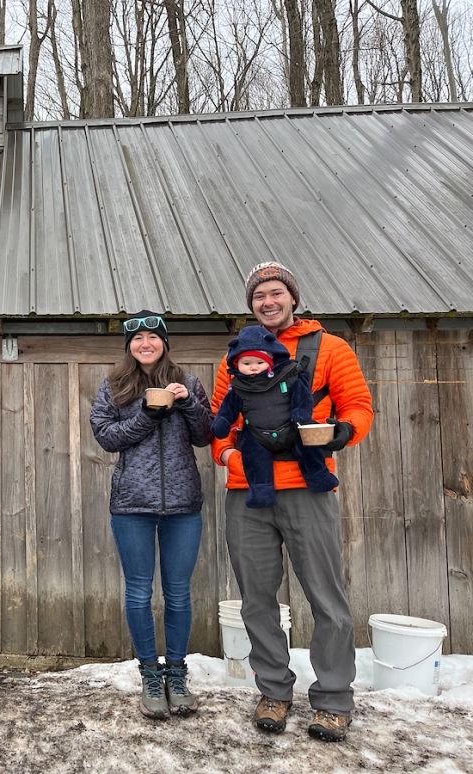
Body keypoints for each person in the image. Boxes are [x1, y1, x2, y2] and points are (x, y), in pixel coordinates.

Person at [211, 262, 373, 742]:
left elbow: (359, 407)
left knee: (327, 598)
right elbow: (220, 426)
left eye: (276, 292)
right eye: (259, 296)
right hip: (248, 495)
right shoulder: (233, 357)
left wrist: (340, 434)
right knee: (256, 601)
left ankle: (333, 700)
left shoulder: (331, 349)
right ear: (252, 305)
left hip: (308, 488)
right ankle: (274, 692)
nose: (268, 302)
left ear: (292, 297)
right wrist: (231, 458)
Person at [89, 310, 213, 720]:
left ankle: (176, 672)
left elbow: (204, 436)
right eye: (137, 339)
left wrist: (188, 402)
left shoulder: (189, 382)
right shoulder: (114, 386)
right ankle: (149, 672)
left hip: (182, 503)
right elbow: (107, 438)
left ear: (164, 342)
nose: (145, 344)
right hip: (132, 504)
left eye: (152, 337)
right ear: (128, 346)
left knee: (178, 591)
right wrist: (148, 414)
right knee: (139, 591)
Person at [211, 325, 338, 509]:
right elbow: (224, 410)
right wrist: (223, 434)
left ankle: (319, 476)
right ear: (236, 365)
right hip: (256, 435)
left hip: (291, 429)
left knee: (308, 448)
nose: (253, 367)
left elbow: (301, 398)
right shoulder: (237, 387)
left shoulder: (289, 376)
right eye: (247, 364)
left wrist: (300, 416)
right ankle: (261, 492)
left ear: (270, 361)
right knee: (254, 459)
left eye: (259, 363)